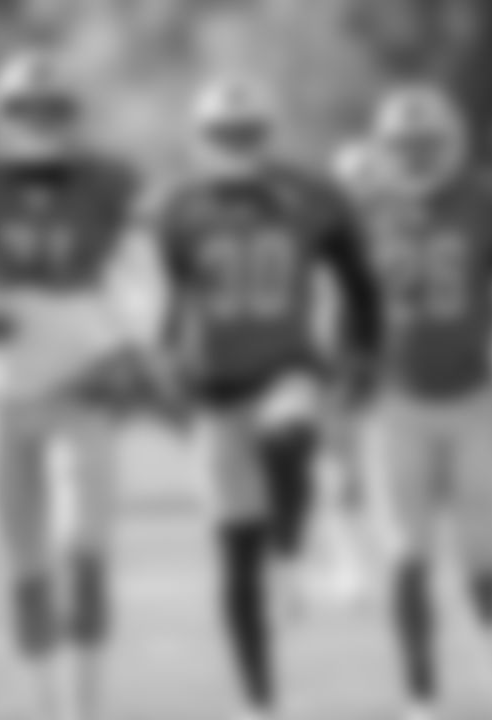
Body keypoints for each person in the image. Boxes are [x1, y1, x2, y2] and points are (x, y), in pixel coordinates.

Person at [0, 50, 161, 720]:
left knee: (85, 556)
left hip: (83, 391)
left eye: (52, 109)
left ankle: (86, 706)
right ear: (0, 114)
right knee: (24, 569)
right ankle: (41, 702)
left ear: (72, 115)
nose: (39, 120)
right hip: (3, 400)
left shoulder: (108, 181)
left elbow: (146, 276)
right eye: (25, 109)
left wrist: (132, 343)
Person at [153, 76, 381, 720]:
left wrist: (361, 355)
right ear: (200, 136)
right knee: (233, 555)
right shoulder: (176, 205)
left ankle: (290, 555)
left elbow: (359, 282)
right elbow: (163, 305)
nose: (235, 144)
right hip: (214, 386)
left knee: (292, 434)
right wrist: (162, 367)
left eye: (246, 132)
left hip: (288, 367)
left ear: (267, 133)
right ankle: (259, 701)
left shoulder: (311, 194)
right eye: (223, 134)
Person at [349, 83, 492, 720]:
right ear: (384, 147)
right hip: (395, 399)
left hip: (475, 395)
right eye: (404, 145)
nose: (415, 157)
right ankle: (421, 697)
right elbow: (342, 298)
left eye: (427, 144)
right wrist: (340, 369)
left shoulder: (491, 201)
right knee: (405, 553)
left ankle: (489, 635)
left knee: (487, 554)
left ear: (452, 143)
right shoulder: (364, 203)